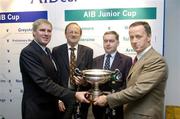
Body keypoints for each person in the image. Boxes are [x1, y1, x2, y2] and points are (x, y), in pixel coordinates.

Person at [93, 21, 168, 119]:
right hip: (131, 113)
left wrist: (108, 98)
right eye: (131, 37)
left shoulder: (156, 60)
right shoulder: (139, 59)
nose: (134, 41)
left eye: (138, 36)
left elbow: (138, 89)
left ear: (149, 37)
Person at [19, 19, 89, 119]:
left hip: (50, 108)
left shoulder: (47, 51)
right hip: (37, 110)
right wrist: (73, 94)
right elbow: (44, 82)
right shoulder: (29, 52)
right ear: (34, 32)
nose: (46, 34)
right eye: (42, 30)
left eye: (49, 31)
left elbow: (55, 78)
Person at [52, 22, 93, 119]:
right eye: (70, 32)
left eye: (76, 32)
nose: (73, 34)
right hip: (63, 96)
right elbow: (54, 77)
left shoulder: (88, 51)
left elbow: (89, 77)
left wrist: (84, 82)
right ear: (65, 34)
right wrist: (58, 99)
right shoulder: (56, 51)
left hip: (82, 97)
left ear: (80, 35)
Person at [92, 31, 132, 119]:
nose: (108, 44)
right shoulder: (95, 60)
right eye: (105, 41)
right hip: (98, 105)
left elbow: (127, 84)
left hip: (116, 105)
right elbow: (92, 83)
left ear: (117, 43)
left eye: (111, 41)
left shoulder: (126, 60)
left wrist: (109, 98)